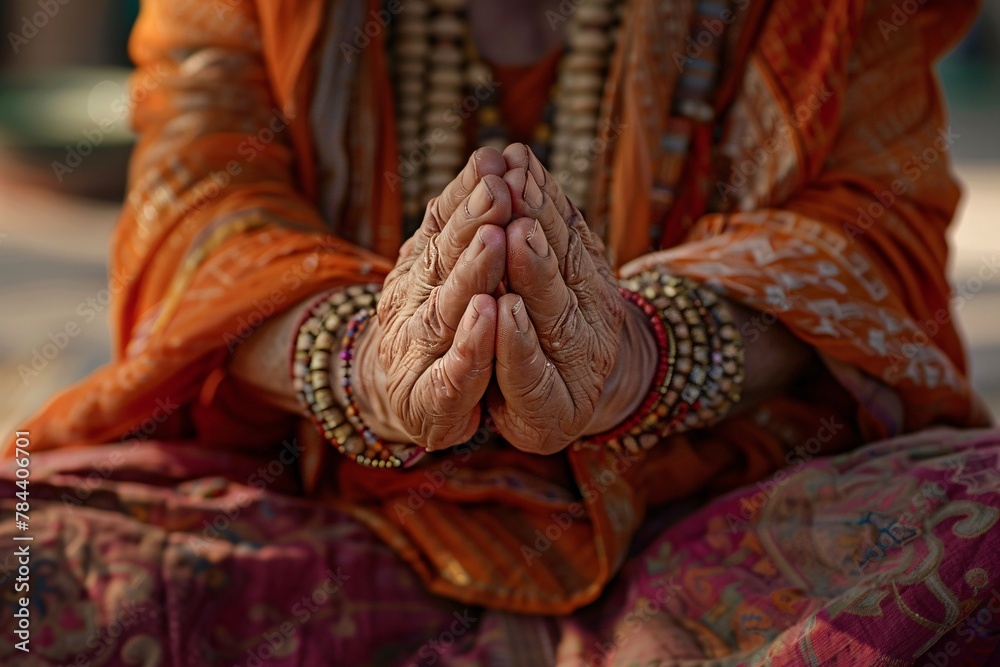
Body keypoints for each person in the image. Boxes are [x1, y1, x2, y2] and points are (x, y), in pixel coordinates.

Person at [3, 0, 998, 664]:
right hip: (343, 527)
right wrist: (361, 367)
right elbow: (199, 215)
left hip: (725, 521)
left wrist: (648, 354)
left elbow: (867, 224)